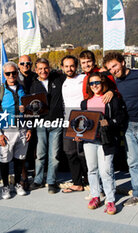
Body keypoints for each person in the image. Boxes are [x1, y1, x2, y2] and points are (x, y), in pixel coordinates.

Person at [103, 52, 138, 212]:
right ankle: (137, 194)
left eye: (115, 66)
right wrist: (112, 90)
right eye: (110, 68)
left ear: (123, 62)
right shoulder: (113, 82)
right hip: (127, 126)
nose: (113, 70)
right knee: (133, 162)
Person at [80, 72, 126, 215]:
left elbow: (121, 117)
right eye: (92, 83)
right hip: (89, 140)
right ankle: (95, 195)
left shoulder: (111, 99)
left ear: (103, 83)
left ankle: (110, 199)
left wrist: (109, 123)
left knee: (106, 170)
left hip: (106, 140)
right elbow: (81, 120)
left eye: (97, 82)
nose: (95, 86)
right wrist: (78, 133)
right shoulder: (85, 102)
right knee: (92, 169)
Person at [0, 61, 31, 199]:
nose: (11, 75)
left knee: (20, 159)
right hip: (6, 131)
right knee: (5, 160)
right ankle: (5, 186)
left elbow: (29, 110)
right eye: (8, 73)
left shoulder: (22, 89)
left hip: (22, 130)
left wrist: (28, 128)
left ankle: (18, 183)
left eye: (14, 72)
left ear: (17, 73)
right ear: (4, 74)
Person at [29, 58, 64, 194]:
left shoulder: (58, 79)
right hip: (40, 124)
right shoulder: (32, 85)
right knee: (40, 154)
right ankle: (38, 180)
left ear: (49, 68)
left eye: (45, 68)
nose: (43, 71)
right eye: (40, 69)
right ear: (36, 70)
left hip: (56, 122)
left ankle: (51, 181)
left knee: (54, 155)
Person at [60, 55, 88, 193]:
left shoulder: (83, 79)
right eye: (66, 66)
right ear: (62, 68)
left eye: (72, 66)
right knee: (69, 152)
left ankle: (89, 180)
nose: (69, 69)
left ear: (76, 66)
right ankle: (77, 182)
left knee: (83, 153)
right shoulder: (61, 82)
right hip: (68, 122)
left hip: (83, 120)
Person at [17, 54, 38, 190]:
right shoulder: (13, 77)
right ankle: (23, 176)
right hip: (20, 117)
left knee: (36, 147)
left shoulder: (36, 77)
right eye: (23, 63)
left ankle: (37, 175)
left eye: (28, 64)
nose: (25, 66)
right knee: (21, 148)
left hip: (36, 115)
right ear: (19, 65)